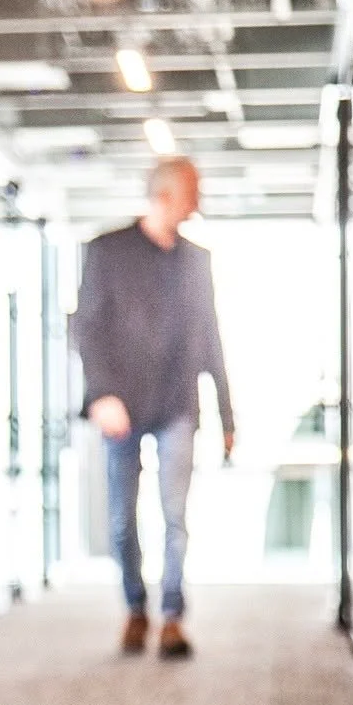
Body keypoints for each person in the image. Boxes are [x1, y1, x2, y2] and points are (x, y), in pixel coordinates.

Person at [73, 155, 234, 659]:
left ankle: (171, 616)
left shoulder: (195, 260)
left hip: (177, 405)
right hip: (121, 407)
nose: (198, 203)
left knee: (174, 515)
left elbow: (210, 340)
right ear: (164, 196)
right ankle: (135, 608)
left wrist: (228, 415)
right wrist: (101, 395)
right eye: (193, 192)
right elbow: (87, 328)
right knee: (123, 518)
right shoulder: (108, 251)